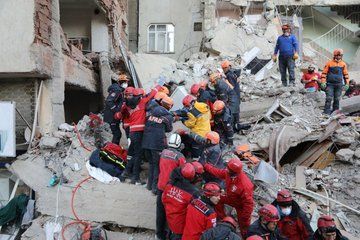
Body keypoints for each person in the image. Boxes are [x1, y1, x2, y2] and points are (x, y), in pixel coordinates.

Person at [114, 79, 165, 185]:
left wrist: (119, 114)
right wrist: (160, 83)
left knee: (134, 153)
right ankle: (135, 178)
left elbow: (118, 115)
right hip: (139, 132)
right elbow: (152, 94)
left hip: (132, 132)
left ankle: (126, 172)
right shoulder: (142, 102)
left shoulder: (126, 106)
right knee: (138, 155)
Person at [204, 158, 254, 238]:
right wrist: (207, 166)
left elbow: (249, 205)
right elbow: (219, 173)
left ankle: (246, 237)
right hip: (230, 197)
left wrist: (244, 218)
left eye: (228, 168)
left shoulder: (245, 185)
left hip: (241, 206)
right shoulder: (228, 173)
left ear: (233, 172)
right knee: (217, 198)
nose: (226, 169)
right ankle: (223, 219)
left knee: (244, 225)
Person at [156, 133, 186, 240]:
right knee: (171, 212)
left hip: (161, 185)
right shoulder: (180, 157)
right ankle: (169, 235)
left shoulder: (163, 153)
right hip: (171, 188)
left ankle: (159, 234)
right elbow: (184, 172)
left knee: (160, 211)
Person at [142, 96, 174, 194]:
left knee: (151, 164)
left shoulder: (151, 111)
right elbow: (169, 129)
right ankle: (155, 188)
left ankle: (149, 185)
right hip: (157, 144)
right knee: (157, 165)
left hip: (146, 142)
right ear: (169, 106)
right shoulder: (168, 116)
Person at [162, 163, 200, 239]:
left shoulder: (170, 183)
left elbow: (163, 200)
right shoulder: (192, 192)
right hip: (181, 225)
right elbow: (194, 212)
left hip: (169, 219)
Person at [321, 48, 350, 115]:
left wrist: (347, 84)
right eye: (337, 55)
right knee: (329, 98)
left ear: (341, 56)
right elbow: (324, 73)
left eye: (340, 55)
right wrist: (323, 82)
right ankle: (326, 112)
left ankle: (335, 113)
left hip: (339, 84)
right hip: (330, 84)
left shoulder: (343, 64)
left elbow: (345, 75)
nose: (338, 57)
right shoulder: (329, 63)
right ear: (334, 55)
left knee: (337, 99)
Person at [103, 74, 129, 144]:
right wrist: (117, 110)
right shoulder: (117, 90)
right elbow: (109, 101)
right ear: (119, 82)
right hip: (111, 116)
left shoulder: (120, 90)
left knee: (117, 134)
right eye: (124, 82)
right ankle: (113, 150)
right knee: (117, 134)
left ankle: (114, 150)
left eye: (126, 82)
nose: (126, 83)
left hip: (114, 116)